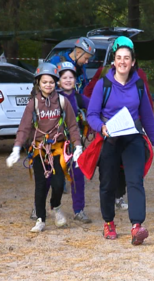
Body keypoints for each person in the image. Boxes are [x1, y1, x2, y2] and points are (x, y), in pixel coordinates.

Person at [86, 36, 154, 245]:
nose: (122, 62)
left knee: (135, 181)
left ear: (133, 61)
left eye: (126, 58)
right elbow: (91, 114)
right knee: (108, 182)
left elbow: (146, 115)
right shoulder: (104, 84)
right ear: (114, 61)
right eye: (119, 58)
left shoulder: (138, 85)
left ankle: (137, 226)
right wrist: (101, 127)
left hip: (133, 138)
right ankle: (109, 222)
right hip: (110, 139)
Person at [6, 62, 82, 233]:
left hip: (57, 149)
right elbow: (24, 127)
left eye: (51, 82)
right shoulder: (33, 104)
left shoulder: (62, 102)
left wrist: (78, 147)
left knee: (58, 183)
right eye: (44, 82)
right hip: (39, 151)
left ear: (56, 83)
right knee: (40, 185)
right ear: (38, 83)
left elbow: (72, 126)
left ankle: (55, 206)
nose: (48, 85)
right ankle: (41, 218)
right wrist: (16, 148)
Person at [56, 61, 92, 223]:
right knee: (51, 178)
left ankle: (79, 210)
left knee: (78, 177)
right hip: (55, 145)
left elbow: (94, 108)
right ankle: (42, 208)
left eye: (71, 77)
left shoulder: (79, 98)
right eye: (64, 77)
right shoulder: (53, 98)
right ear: (59, 81)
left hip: (74, 145)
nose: (68, 80)